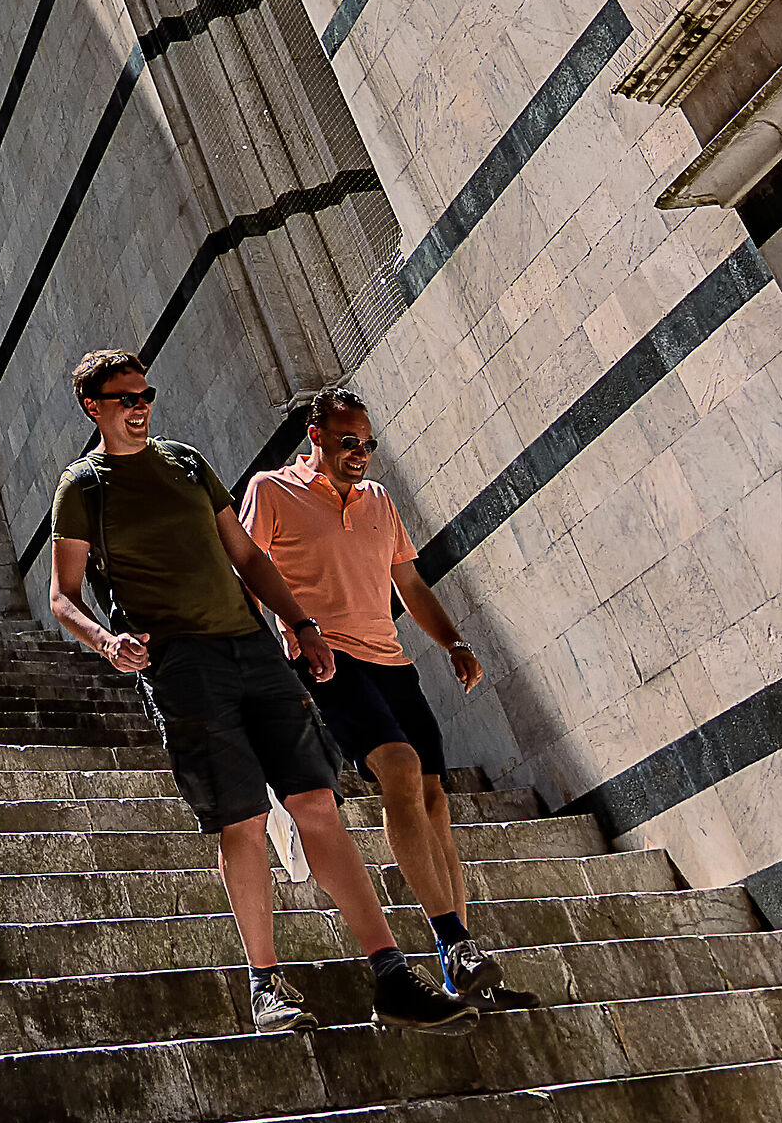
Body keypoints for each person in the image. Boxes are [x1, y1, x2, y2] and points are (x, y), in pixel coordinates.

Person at [48, 349, 473, 1036]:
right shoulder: (85, 487)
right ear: (93, 407)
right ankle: (266, 984)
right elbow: (62, 595)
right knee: (241, 821)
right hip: (182, 667)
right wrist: (107, 642)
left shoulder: (185, 463)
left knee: (317, 803)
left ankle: (392, 974)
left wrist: (302, 625)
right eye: (124, 398)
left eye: (145, 393)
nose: (139, 407)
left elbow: (246, 555)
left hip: (253, 651)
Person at [243, 387, 529, 1008]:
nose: (361, 454)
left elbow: (409, 582)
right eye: (349, 442)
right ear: (314, 435)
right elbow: (246, 568)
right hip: (326, 660)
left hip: (392, 662)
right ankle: (450, 939)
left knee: (433, 801)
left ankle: (461, 961)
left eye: (368, 444)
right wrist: (286, 641)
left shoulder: (378, 501)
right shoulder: (270, 490)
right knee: (397, 768)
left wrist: (453, 642)